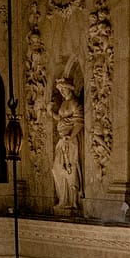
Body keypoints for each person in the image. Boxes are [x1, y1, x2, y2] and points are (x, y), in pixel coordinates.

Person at [50, 77, 84, 210]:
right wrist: (50, 112)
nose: (62, 92)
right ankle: (63, 199)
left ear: (70, 88)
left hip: (70, 141)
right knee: (57, 169)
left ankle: (72, 200)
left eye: (64, 89)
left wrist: (70, 136)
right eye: (61, 90)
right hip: (62, 140)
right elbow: (61, 119)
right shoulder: (64, 104)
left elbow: (79, 122)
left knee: (70, 168)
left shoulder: (75, 103)